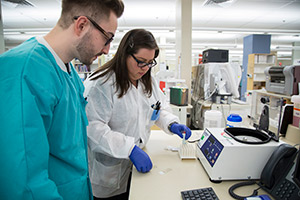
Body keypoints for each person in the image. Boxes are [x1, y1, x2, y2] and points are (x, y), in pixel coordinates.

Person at [0, 0, 124, 199]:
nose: (107, 50)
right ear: (81, 25)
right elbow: (24, 183)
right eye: (107, 39)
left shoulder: (69, 74)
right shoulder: (23, 70)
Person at [84, 29, 192, 200]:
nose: (146, 68)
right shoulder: (101, 84)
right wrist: (129, 148)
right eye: (141, 62)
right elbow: (93, 129)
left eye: (150, 62)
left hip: (139, 166)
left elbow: (158, 108)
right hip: (110, 172)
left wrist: (171, 123)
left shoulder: (147, 80)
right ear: (125, 54)